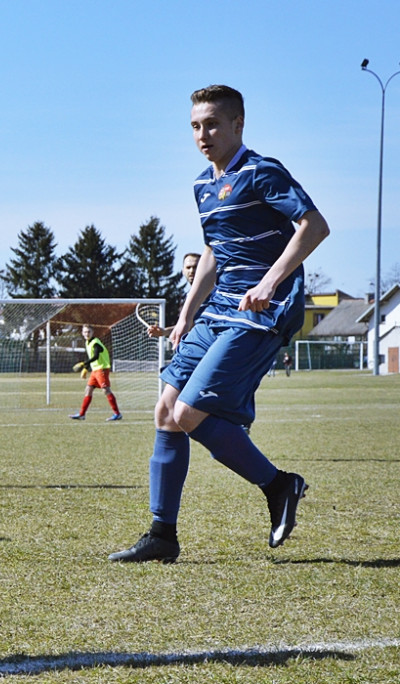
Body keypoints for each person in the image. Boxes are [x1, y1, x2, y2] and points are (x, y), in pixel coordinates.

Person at [109, 84, 329, 564]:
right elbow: (213, 250)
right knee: (166, 412)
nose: (202, 134)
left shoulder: (262, 171)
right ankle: (162, 535)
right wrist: (187, 312)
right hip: (217, 309)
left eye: (211, 124)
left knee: (190, 414)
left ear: (237, 125)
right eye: (194, 126)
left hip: (261, 312)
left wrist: (270, 282)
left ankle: (279, 485)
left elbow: (314, 226)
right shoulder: (202, 185)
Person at [69, 325, 121, 421]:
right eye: (85, 332)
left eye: (88, 332)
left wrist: (84, 364)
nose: (86, 334)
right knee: (88, 389)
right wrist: (86, 368)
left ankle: (117, 414)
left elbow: (96, 356)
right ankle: (82, 414)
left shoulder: (95, 342)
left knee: (106, 390)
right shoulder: (88, 343)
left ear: (92, 332)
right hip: (95, 370)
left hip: (102, 369)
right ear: (82, 333)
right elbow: (91, 357)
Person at [147, 252, 201, 338]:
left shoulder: (212, 293)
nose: (191, 271)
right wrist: (164, 331)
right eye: (188, 267)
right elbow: (189, 326)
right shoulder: (188, 296)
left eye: (195, 267)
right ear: (183, 271)